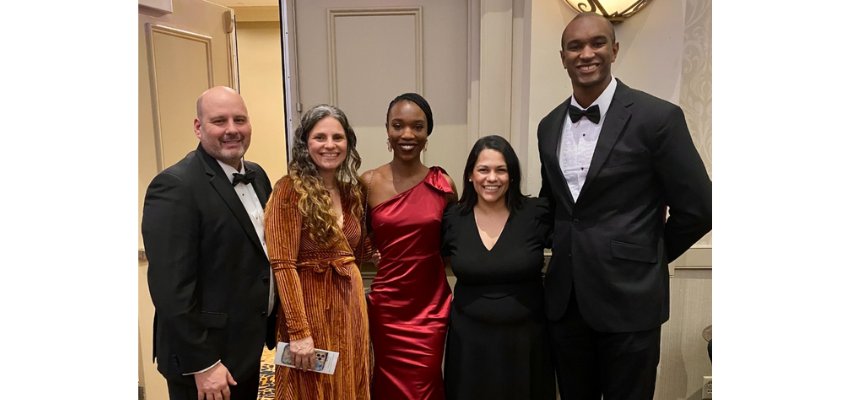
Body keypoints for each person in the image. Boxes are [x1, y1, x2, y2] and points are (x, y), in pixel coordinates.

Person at [537, 12, 712, 400]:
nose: (587, 53)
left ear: (614, 50)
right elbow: (554, 205)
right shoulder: (548, 126)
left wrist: (650, 252)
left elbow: (701, 206)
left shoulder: (658, 118)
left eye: (597, 43)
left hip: (631, 299)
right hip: (566, 302)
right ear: (562, 57)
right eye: (575, 46)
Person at [142, 86, 276, 400]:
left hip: (246, 346)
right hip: (207, 360)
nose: (232, 129)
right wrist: (203, 363)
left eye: (239, 119)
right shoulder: (175, 185)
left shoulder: (257, 176)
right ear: (198, 127)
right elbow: (171, 290)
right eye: (219, 121)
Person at [264, 104, 371, 399]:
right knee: (311, 390)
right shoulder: (289, 190)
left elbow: (359, 250)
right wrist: (299, 332)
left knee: (349, 384)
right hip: (310, 313)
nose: (329, 145)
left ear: (348, 143)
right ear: (305, 143)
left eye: (337, 137)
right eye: (320, 137)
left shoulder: (352, 193)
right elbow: (283, 264)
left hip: (350, 312)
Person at [441, 135, 555, 400]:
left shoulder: (536, 212)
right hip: (469, 344)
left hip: (526, 342)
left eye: (501, 170)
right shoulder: (452, 218)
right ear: (470, 175)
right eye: (483, 169)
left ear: (512, 175)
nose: (492, 178)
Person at [360, 92, 457, 399]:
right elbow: (354, 237)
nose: (407, 134)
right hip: (388, 305)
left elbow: (453, 242)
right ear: (387, 130)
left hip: (430, 305)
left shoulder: (443, 184)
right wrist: (372, 254)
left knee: (425, 383)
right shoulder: (369, 182)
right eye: (398, 125)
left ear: (428, 133)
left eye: (417, 126)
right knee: (387, 383)